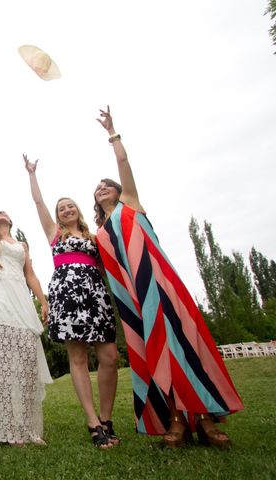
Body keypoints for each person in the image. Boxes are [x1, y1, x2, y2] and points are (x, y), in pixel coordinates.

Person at [93, 106, 244, 449]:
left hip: (160, 285)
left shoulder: (131, 205)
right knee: (154, 350)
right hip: (133, 300)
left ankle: (203, 417)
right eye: (98, 188)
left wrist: (113, 133)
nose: (103, 188)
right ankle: (174, 417)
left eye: (107, 186)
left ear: (118, 192)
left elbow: (124, 166)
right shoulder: (100, 231)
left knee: (182, 342)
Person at [23, 154, 120, 449]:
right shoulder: (55, 234)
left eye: (70, 206)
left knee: (110, 357)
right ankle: (92, 422)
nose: (66, 210)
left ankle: (106, 418)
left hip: (96, 295)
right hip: (67, 296)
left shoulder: (96, 236)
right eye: (61, 208)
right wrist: (32, 175)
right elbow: (39, 205)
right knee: (77, 358)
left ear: (79, 211)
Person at [0, 167, 53, 446]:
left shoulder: (22, 245)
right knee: (3, 369)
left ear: (10, 219)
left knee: (27, 366)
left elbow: (31, 275)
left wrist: (42, 300)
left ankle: (29, 428)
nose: (0, 213)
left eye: (3, 211)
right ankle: (9, 430)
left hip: (21, 300)